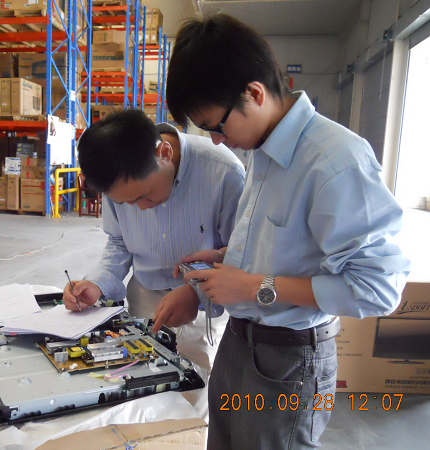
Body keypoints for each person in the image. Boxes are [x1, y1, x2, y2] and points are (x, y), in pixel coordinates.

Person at [163, 14, 411, 450]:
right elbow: (288, 246)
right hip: (239, 344)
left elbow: (378, 288)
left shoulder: (334, 162)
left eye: (217, 126)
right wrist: (226, 257)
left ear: (254, 94)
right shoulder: (262, 149)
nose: (218, 140)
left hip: (289, 360)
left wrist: (252, 285)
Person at [62, 109, 245, 416]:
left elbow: (241, 256)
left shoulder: (224, 173)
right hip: (144, 300)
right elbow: (119, 241)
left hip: (202, 309)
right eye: (127, 202)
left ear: (165, 153)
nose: (141, 209)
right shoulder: (115, 176)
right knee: (140, 400)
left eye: (144, 196)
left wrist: (197, 293)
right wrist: (98, 283)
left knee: (192, 405)